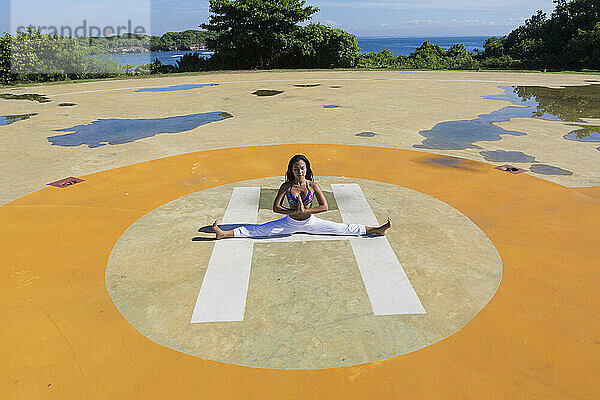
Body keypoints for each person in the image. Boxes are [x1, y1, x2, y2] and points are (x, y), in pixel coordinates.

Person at [212, 154, 391, 239]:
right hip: (288, 223)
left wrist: (306, 210)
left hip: (311, 222)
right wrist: (292, 210)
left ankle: (376, 229)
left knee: (342, 229)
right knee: (257, 230)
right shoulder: (286, 186)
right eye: (296, 169)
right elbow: (276, 207)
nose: (300, 171)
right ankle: (224, 233)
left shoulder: (313, 185)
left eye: (303, 168)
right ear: (292, 170)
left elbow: (325, 206)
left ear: (307, 169)